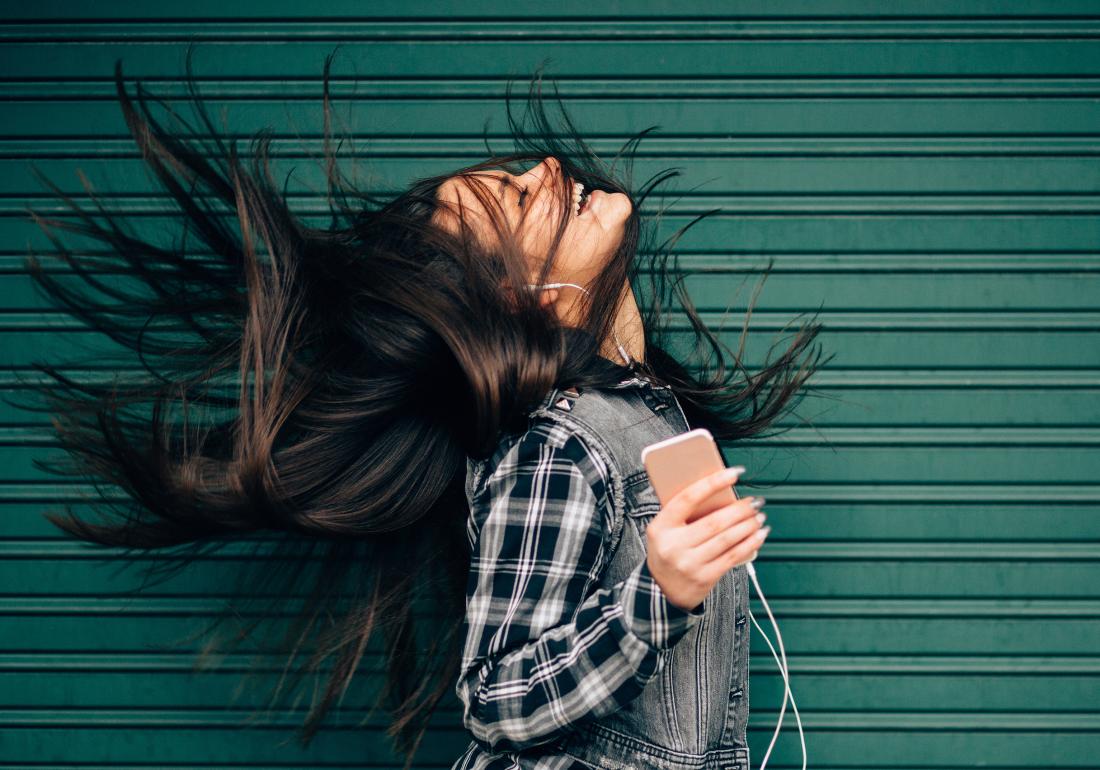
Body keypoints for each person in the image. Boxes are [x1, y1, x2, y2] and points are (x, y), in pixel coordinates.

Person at [9, 47, 826, 770]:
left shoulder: (642, 415)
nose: (544, 166)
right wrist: (659, 595)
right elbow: (496, 695)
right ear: (514, 293)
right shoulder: (556, 446)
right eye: (513, 196)